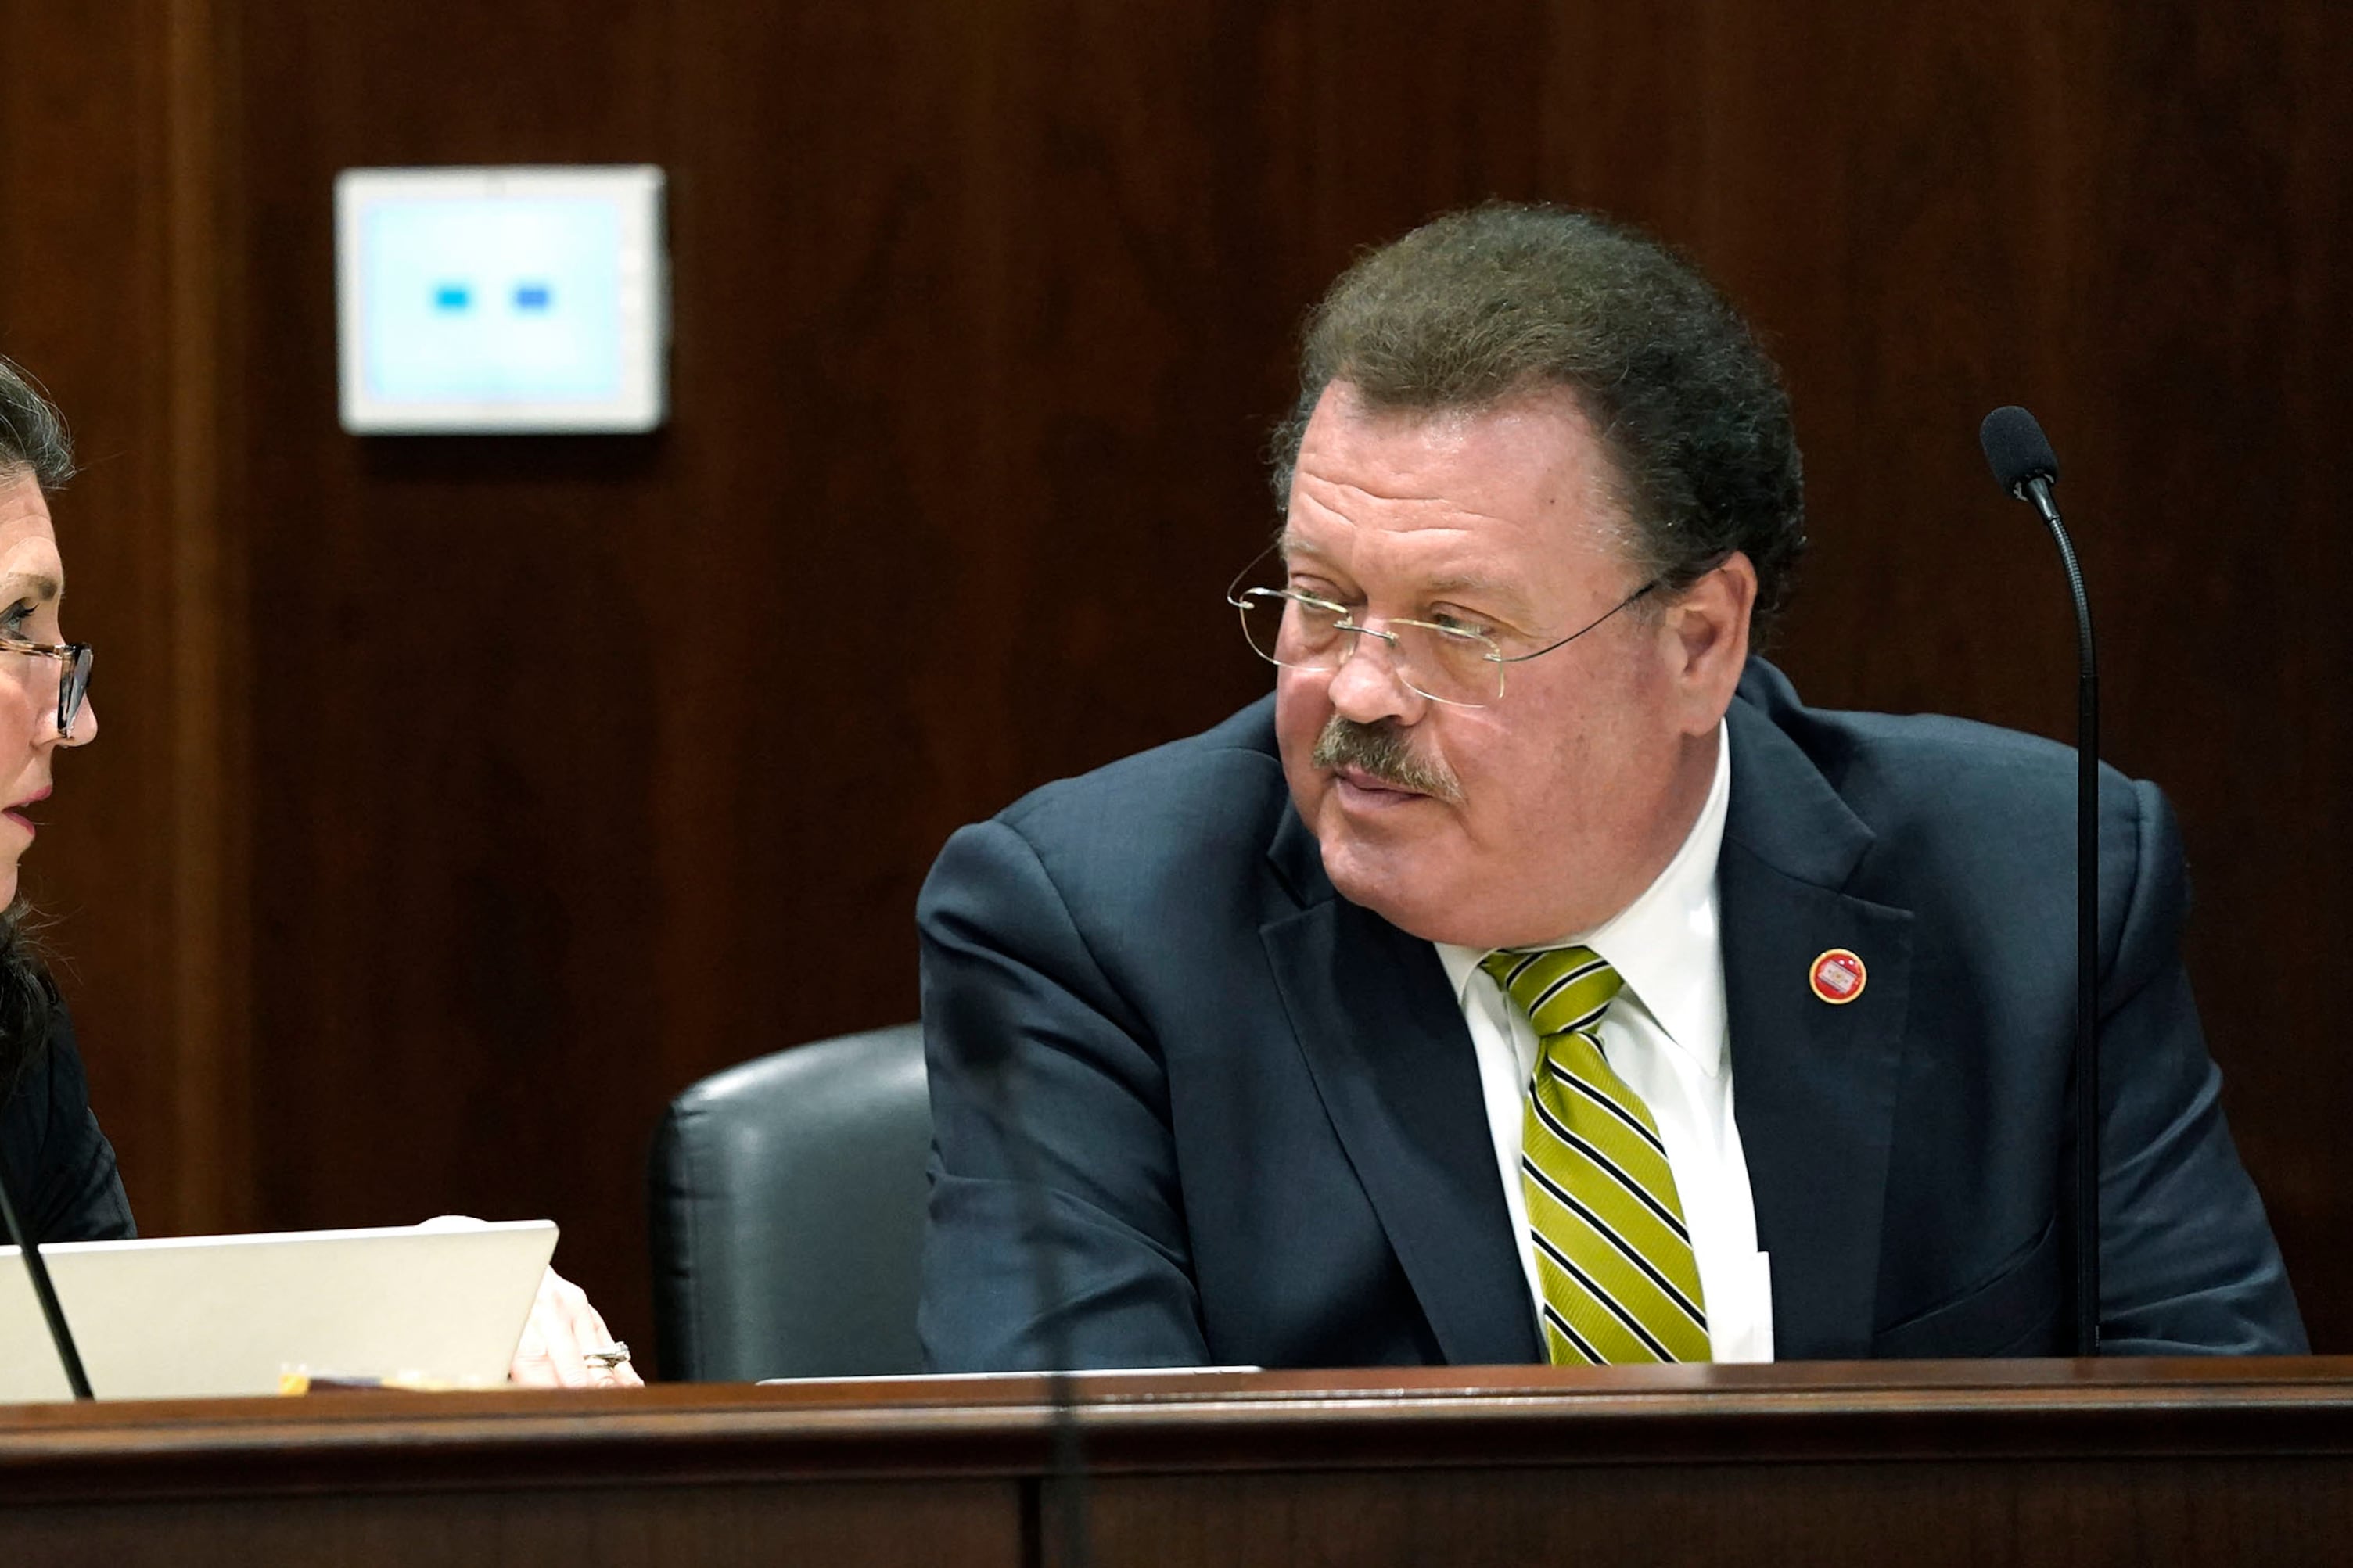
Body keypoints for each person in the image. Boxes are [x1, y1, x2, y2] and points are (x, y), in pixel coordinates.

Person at [916, 203, 2306, 1370]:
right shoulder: (1093, 929)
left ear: (1698, 640)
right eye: (1323, 601)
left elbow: (2210, 1460)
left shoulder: (2039, 887)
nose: (1358, 690)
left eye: (1457, 625)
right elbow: (1107, 1511)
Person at [0, 357, 638, 1388]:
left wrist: (433, 1319)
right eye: (16, 628)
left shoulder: (13, 1035)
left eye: (57, 643)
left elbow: (125, 1414)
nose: (73, 720)